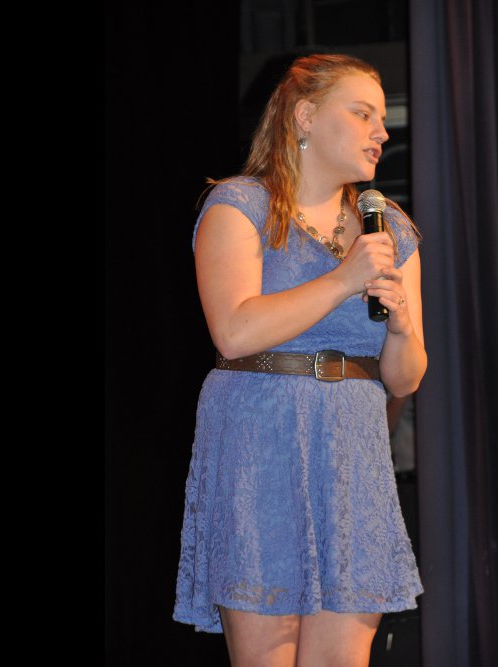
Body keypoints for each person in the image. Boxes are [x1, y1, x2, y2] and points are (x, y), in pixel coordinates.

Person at [173, 53, 427, 667]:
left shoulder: (388, 228)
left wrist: (400, 327)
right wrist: (344, 280)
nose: (381, 132)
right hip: (259, 441)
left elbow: (406, 376)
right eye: (362, 114)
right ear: (306, 116)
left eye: (381, 119)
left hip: (352, 449)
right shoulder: (239, 205)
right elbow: (235, 332)